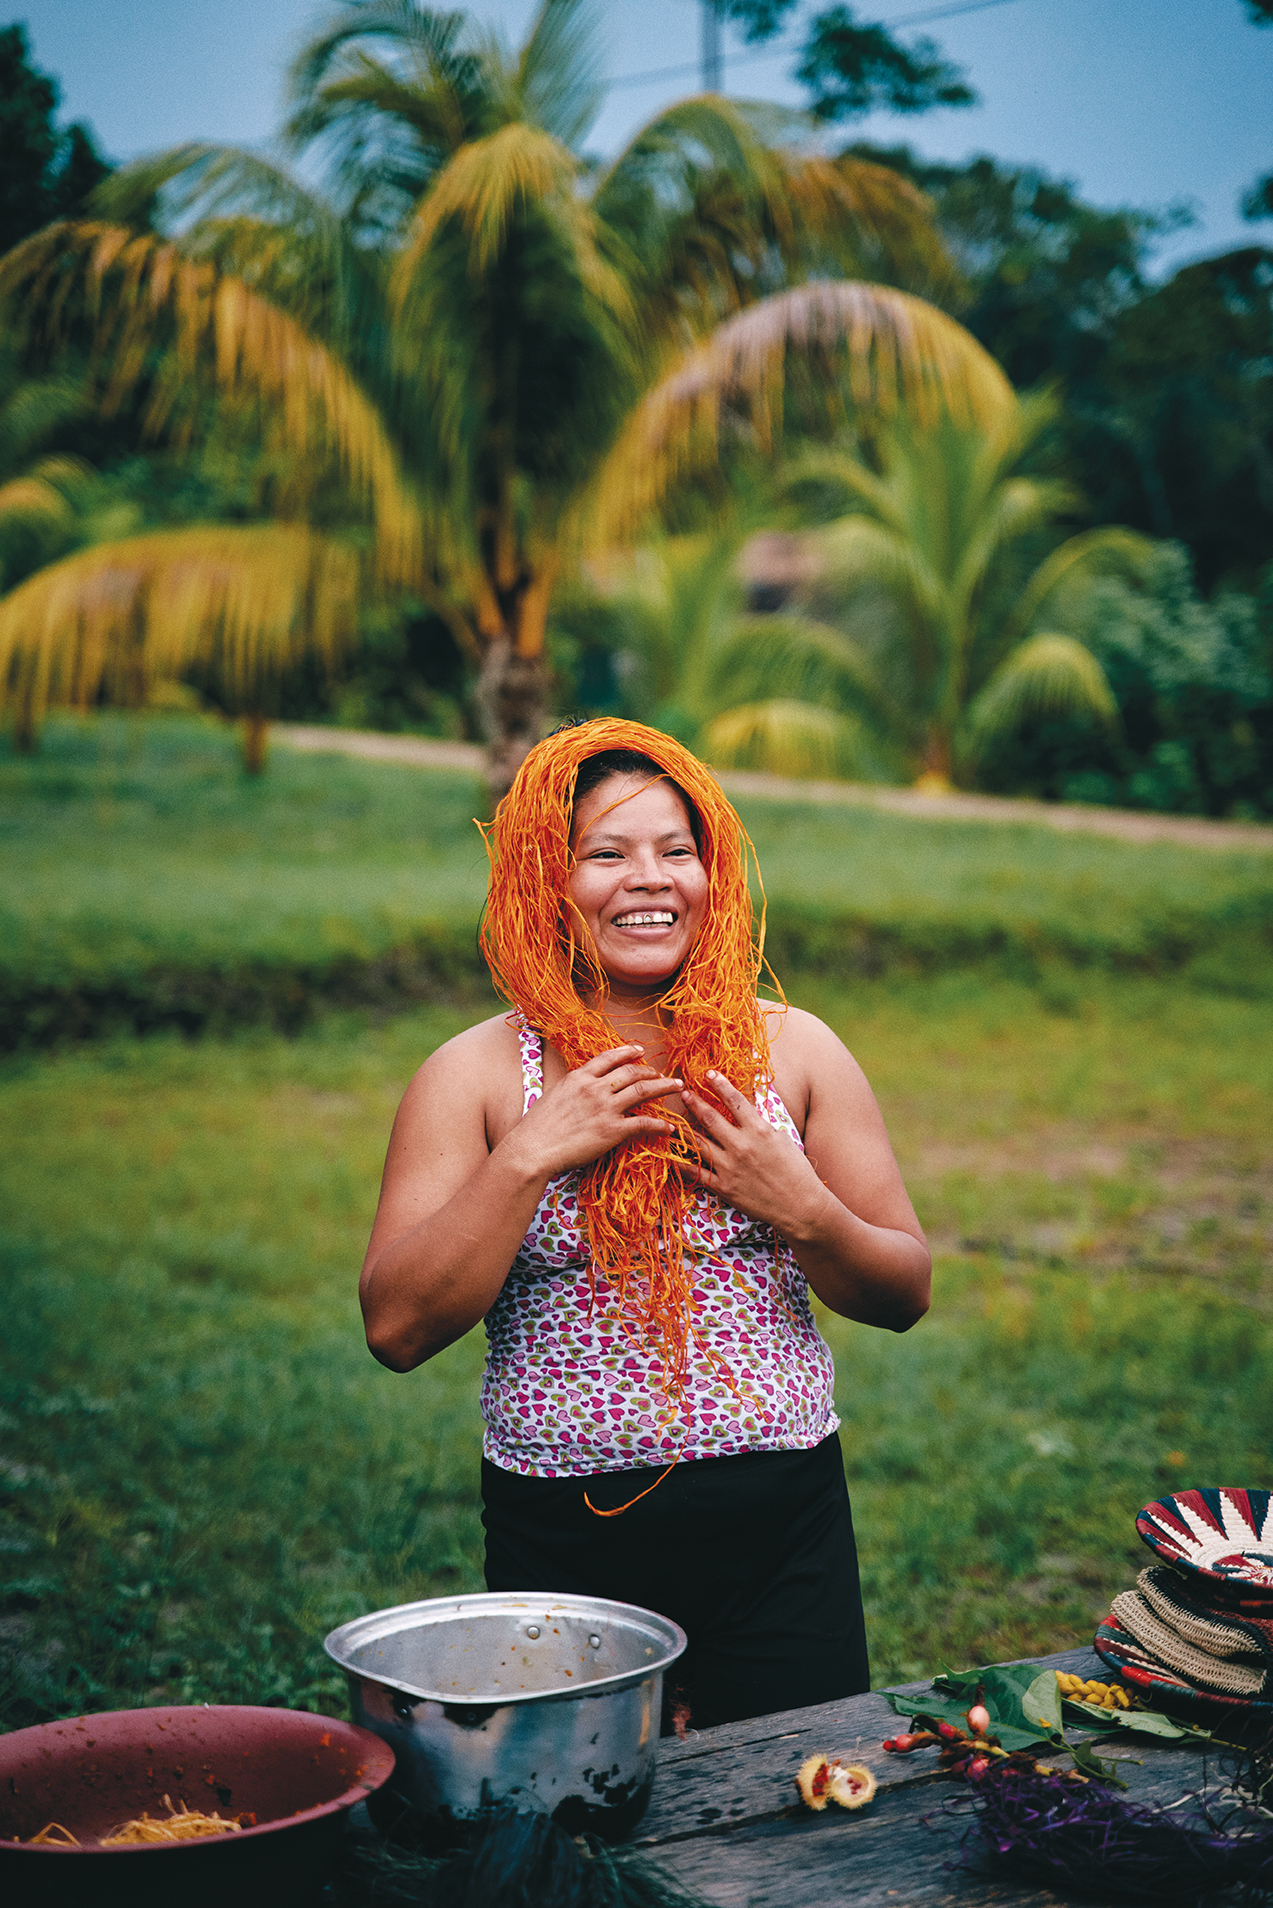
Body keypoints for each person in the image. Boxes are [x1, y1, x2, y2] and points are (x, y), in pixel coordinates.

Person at [360, 718, 930, 1731]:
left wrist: (798, 1207)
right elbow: (397, 1329)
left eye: (676, 851)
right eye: (606, 854)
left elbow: (901, 1291)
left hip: (783, 1532)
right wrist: (531, 1153)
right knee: (580, 1841)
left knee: (793, 1828)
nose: (650, 879)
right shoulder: (477, 1076)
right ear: (547, 878)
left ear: (713, 875)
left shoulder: (793, 1052)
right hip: (566, 1539)